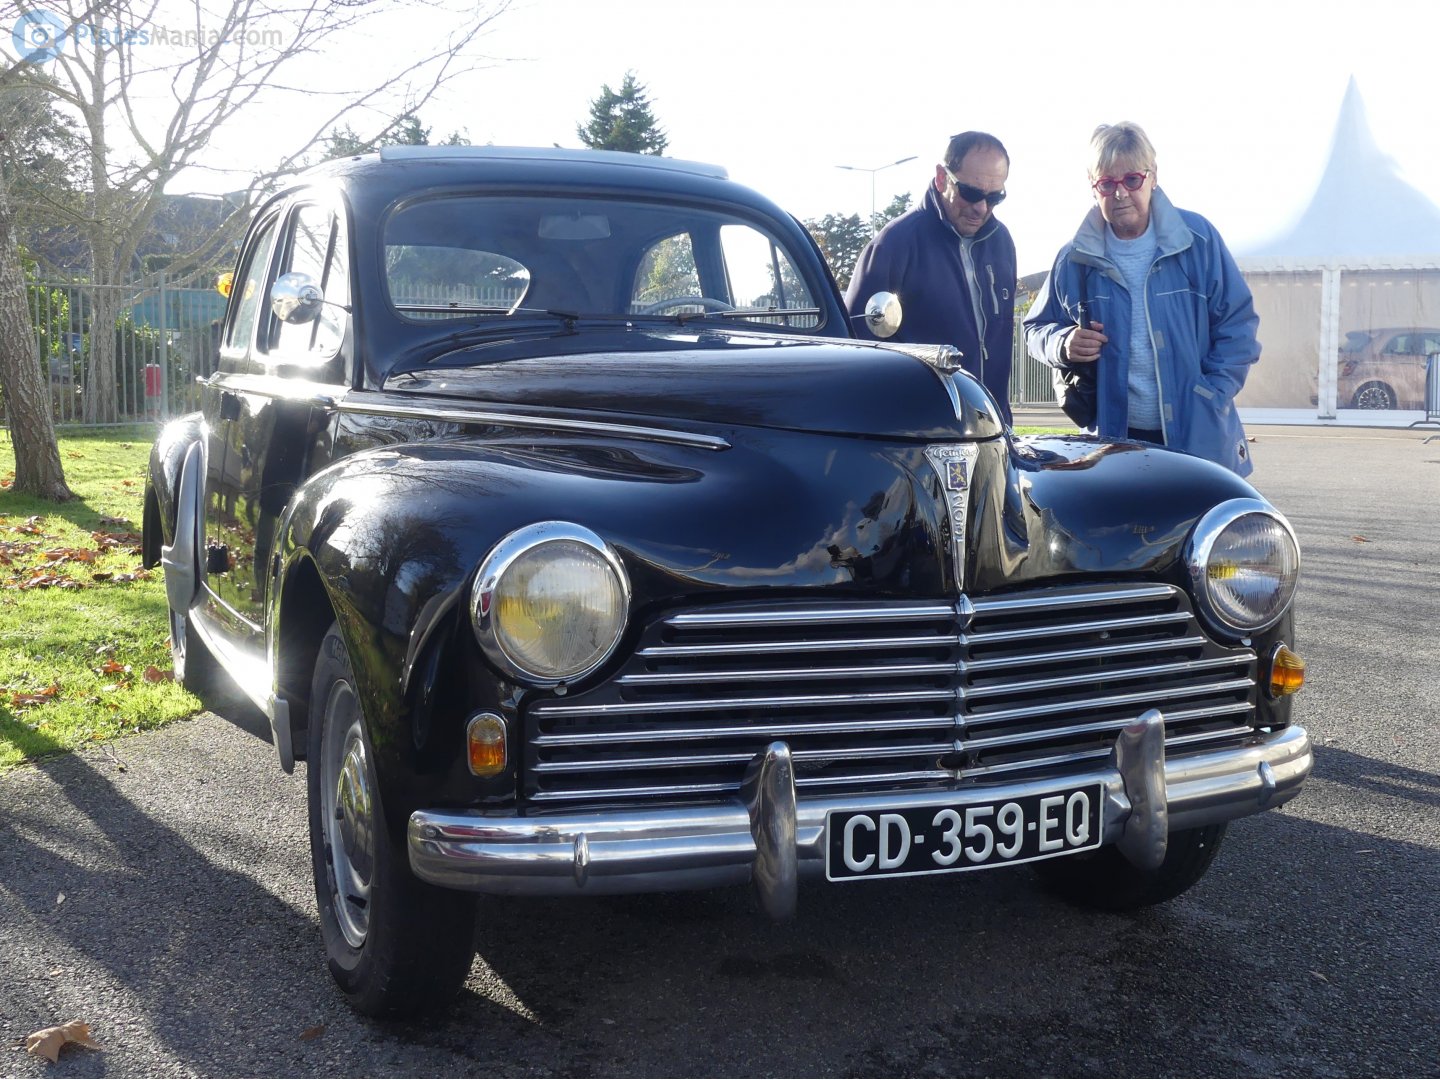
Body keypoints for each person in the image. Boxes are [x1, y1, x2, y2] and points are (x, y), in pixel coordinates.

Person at [1024, 122, 1260, 476]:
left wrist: (1212, 394)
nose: (1120, 194)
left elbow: (1238, 325)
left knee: (1198, 530)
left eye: (1131, 179)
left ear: (1153, 177)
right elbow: (1033, 330)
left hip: (1198, 438)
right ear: (1093, 187)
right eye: (1107, 183)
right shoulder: (1074, 258)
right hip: (1112, 443)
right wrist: (1063, 342)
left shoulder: (1198, 240)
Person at [845, 132, 1017, 425]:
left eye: (995, 197)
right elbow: (855, 343)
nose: (982, 208)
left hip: (991, 428)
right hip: (920, 433)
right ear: (941, 178)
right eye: (972, 193)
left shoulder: (1002, 242)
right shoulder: (894, 244)